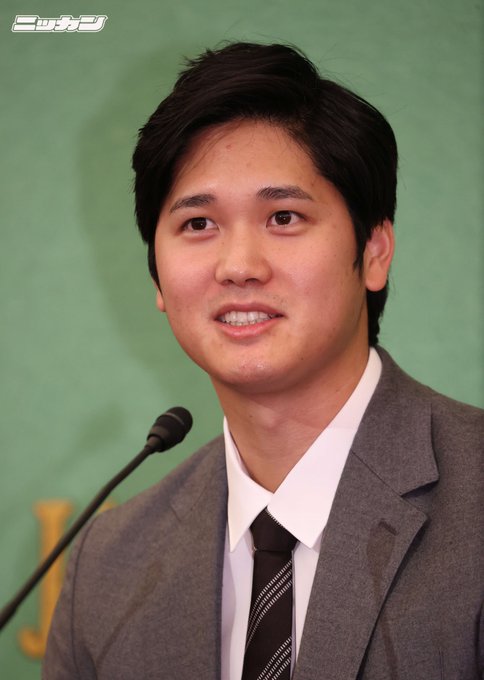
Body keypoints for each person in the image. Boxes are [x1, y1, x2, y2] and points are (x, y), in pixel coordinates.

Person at [43, 42, 483, 679]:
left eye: (283, 216)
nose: (239, 266)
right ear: (157, 278)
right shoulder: (107, 570)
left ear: (374, 251)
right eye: (198, 224)